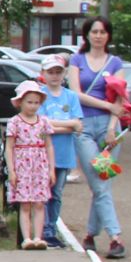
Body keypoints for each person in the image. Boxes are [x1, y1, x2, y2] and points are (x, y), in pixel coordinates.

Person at [68, 17, 127, 259]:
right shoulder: (77, 60)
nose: (98, 36)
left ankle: (91, 235)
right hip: (83, 127)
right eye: (94, 31)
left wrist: (113, 126)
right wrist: (107, 106)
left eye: (103, 31)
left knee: (103, 182)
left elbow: (120, 99)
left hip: (108, 128)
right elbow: (76, 94)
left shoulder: (115, 62)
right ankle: (115, 236)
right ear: (87, 35)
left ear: (108, 35)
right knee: (98, 180)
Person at [35, 55, 84, 246]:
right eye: (50, 72)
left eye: (58, 72)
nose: (54, 76)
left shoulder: (70, 96)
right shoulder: (39, 95)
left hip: (64, 153)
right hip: (44, 152)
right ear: (43, 74)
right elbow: (40, 124)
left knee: (57, 193)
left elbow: (78, 125)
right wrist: (68, 124)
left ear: (64, 73)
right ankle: (45, 229)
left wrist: (62, 125)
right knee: (44, 191)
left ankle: (52, 227)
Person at [5, 81, 55, 250]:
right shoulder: (15, 122)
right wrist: (11, 170)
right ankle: (26, 238)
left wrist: (51, 169)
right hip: (22, 165)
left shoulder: (43, 122)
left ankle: (38, 237)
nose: (33, 106)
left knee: (39, 202)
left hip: (39, 164)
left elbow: (49, 145)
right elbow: (9, 146)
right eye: (29, 102)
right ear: (20, 102)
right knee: (25, 203)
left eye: (36, 102)